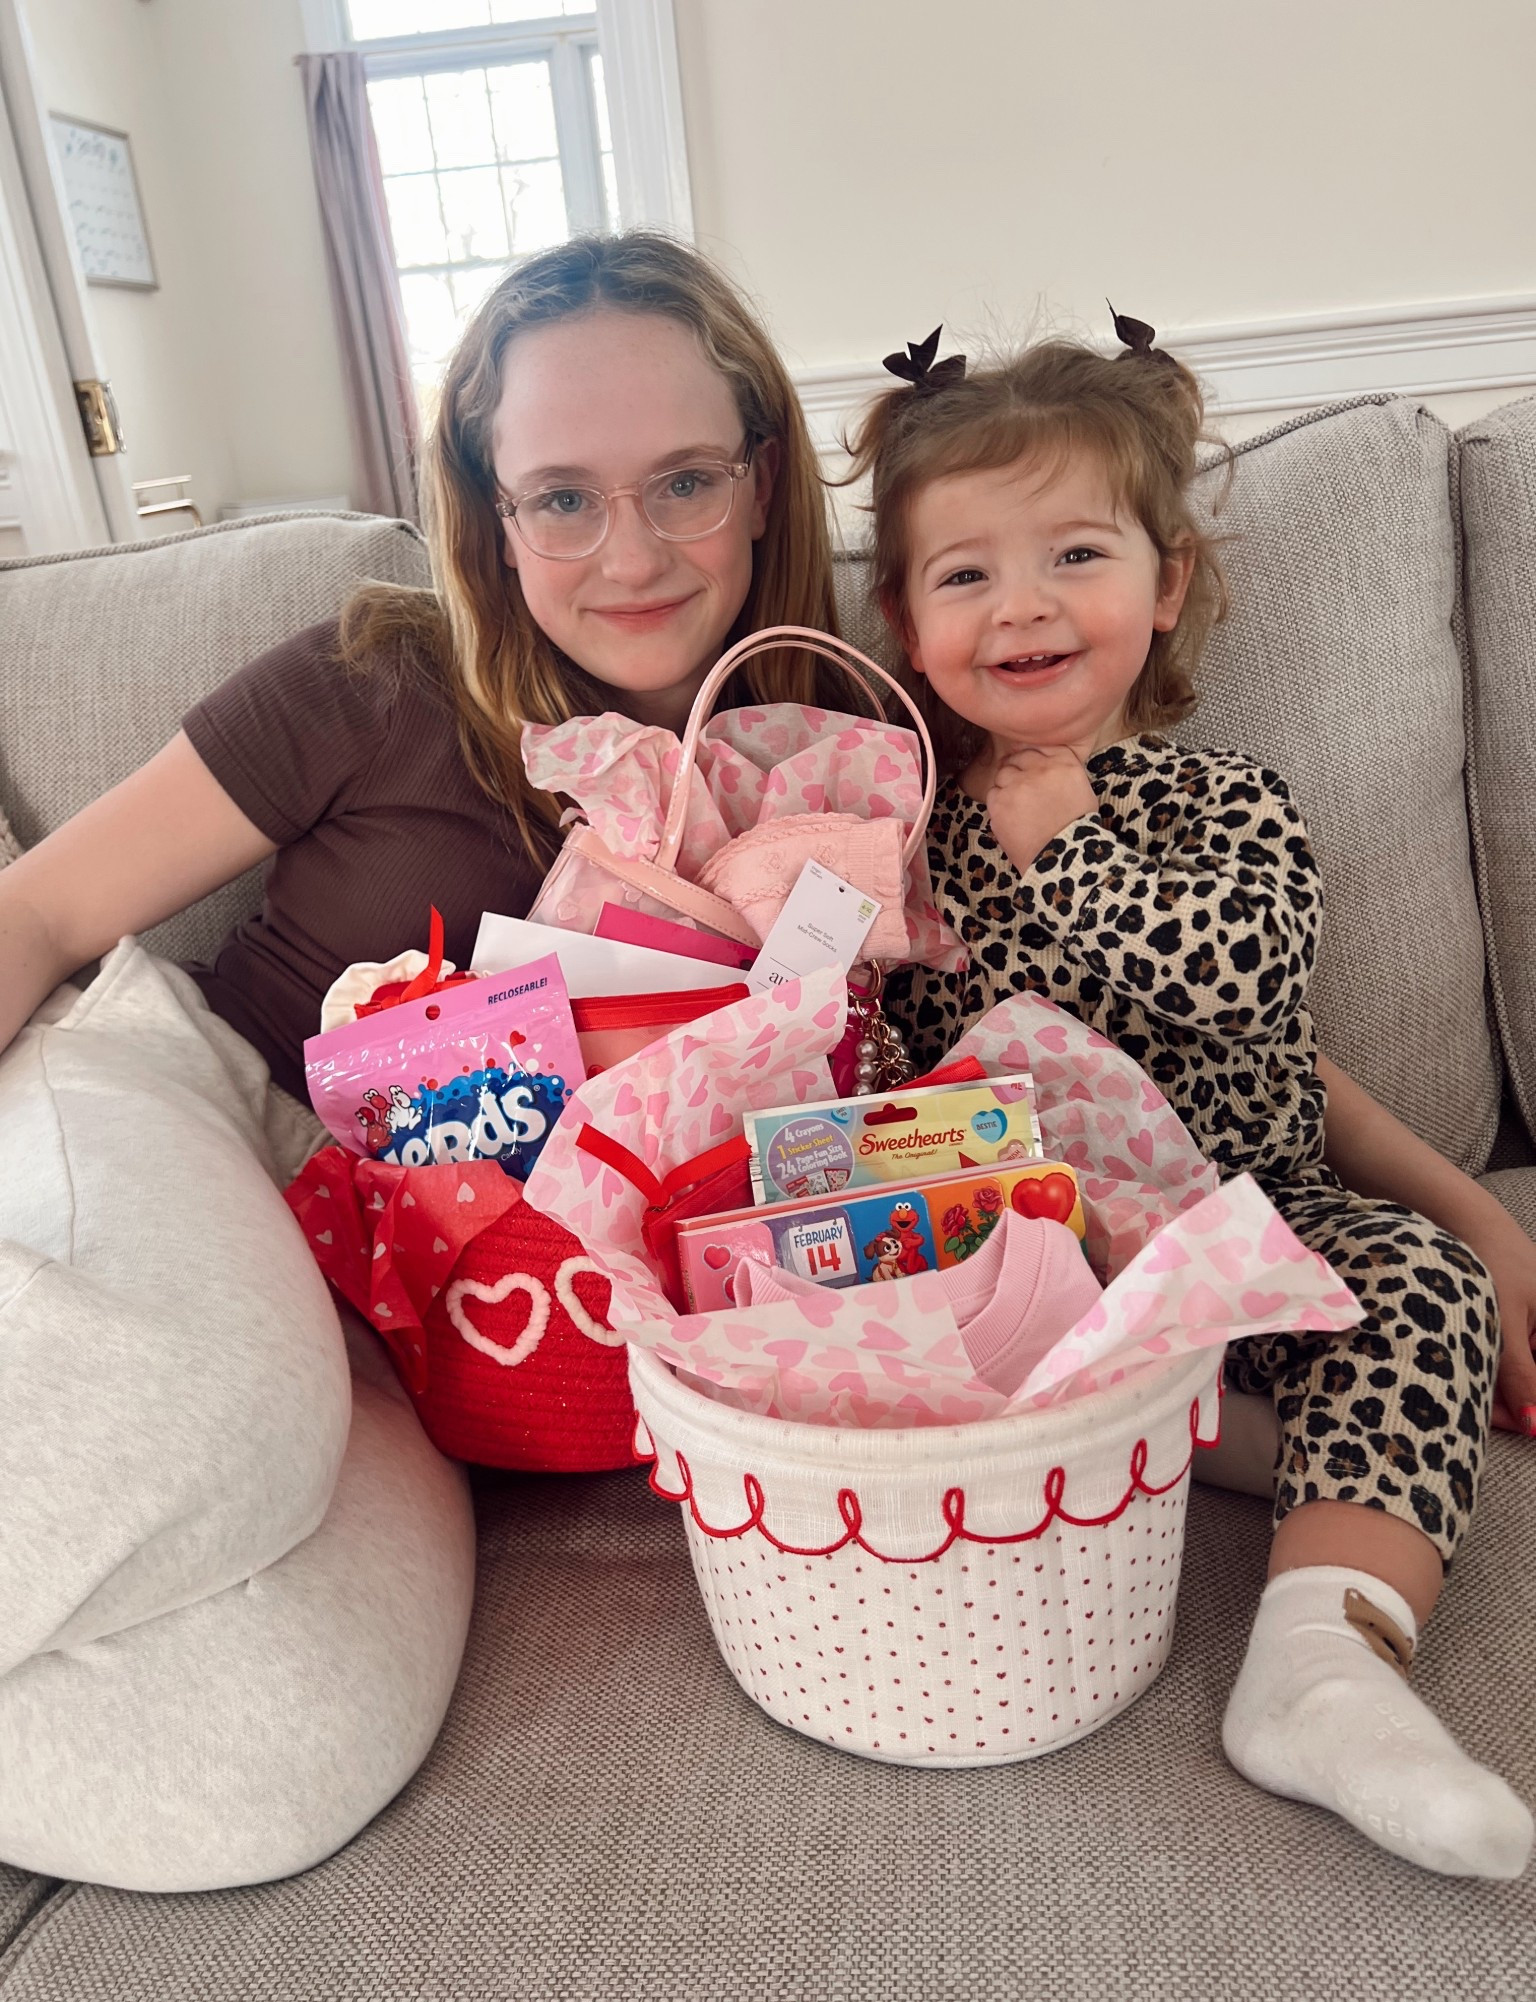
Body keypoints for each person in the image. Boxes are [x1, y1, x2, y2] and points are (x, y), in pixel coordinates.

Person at [0, 231, 841, 1889]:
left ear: (759, 479)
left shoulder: (832, 765)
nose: (633, 553)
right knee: (217, 1403)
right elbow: (36, 914)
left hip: (431, 1324)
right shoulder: (374, 674)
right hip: (203, 1122)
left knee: (269, 1771)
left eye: (682, 480)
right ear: (488, 510)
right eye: (561, 496)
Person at [856, 317, 1535, 1880]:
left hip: (1259, 1228)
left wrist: (1077, 839)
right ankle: (1180, 1425)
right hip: (1041, 1269)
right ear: (905, 620)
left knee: (1420, 1289)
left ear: (1162, 588)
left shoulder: (1226, 799)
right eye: (964, 575)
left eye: (1075, 555)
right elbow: (881, 1061)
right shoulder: (901, 839)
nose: (1020, 603)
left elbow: (1247, 982)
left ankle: (1325, 1660)